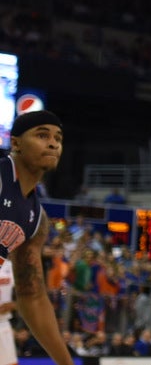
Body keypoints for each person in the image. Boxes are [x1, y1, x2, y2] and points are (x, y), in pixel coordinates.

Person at [0, 111, 78, 365]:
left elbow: (32, 296)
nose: (53, 143)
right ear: (16, 143)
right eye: (42, 135)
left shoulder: (36, 219)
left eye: (58, 138)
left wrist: (65, 363)